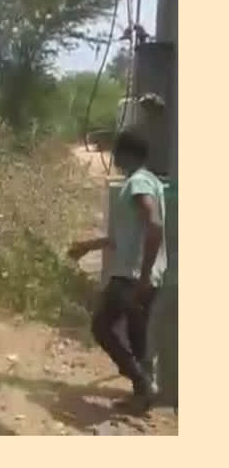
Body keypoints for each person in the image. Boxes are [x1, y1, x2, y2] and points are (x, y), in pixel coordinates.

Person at [68, 131, 167, 411]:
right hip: (142, 275)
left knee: (101, 326)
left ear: (128, 154)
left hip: (131, 276)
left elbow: (154, 225)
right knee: (137, 338)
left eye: (116, 152)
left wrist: (143, 275)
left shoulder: (138, 183)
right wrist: (88, 245)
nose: (113, 157)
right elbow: (125, 235)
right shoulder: (150, 181)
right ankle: (142, 394)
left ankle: (144, 385)